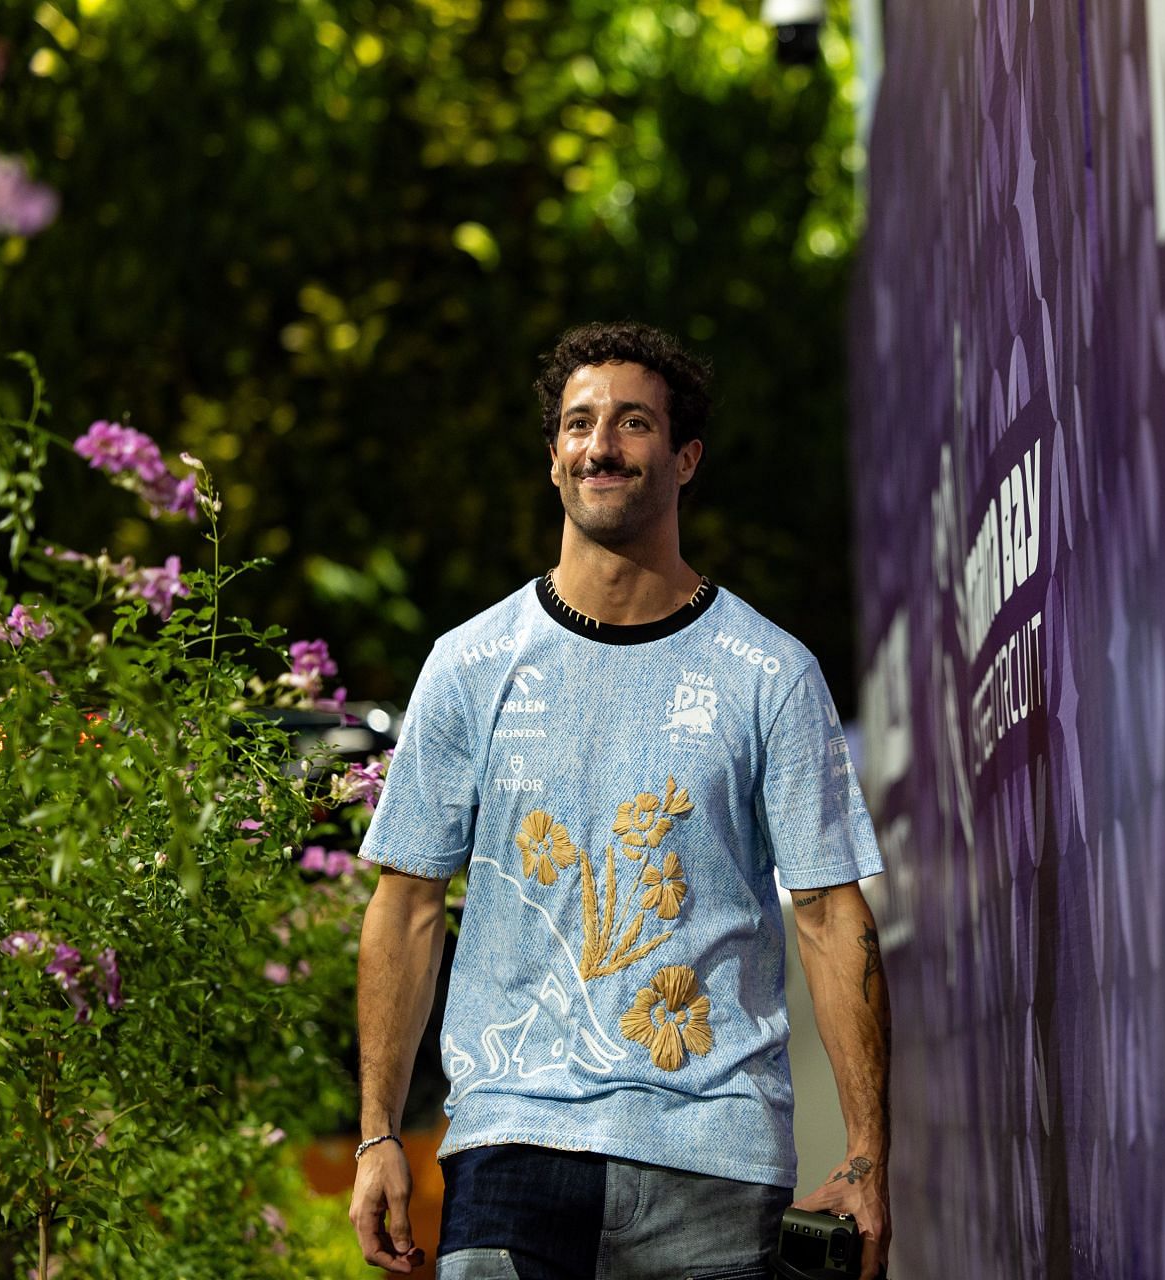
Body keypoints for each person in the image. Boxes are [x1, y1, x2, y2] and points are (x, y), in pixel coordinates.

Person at [348, 321, 892, 1280]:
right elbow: (407, 907)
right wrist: (376, 1134)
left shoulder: (771, 672)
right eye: (579, 424)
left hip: (716, 1164)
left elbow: (830, 915)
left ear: (684, 459)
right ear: (554, 460)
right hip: (511, 1146)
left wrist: (865, 1156)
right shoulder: (469, 665)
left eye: (632, 423)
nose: (600, 445)